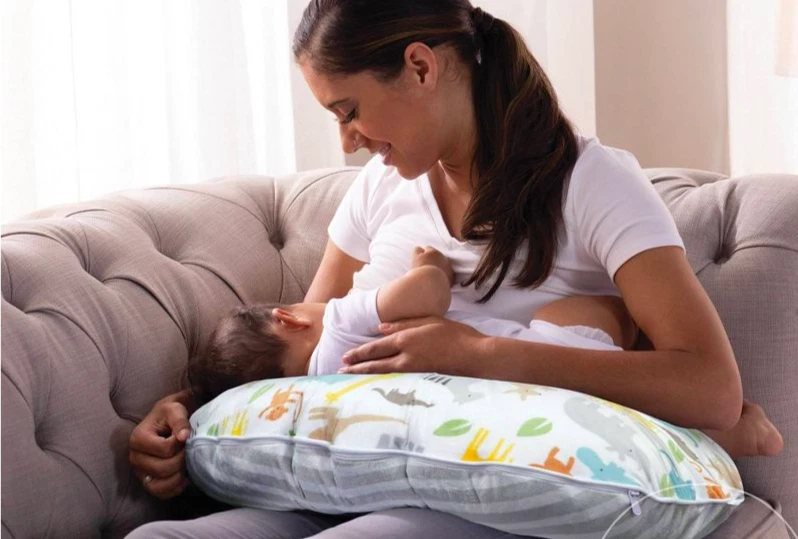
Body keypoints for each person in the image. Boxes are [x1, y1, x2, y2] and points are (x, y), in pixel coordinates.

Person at [127, 2, 783, 537]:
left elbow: (712, 388)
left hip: (475, 495)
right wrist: (186, 407)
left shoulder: (592, 184)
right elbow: (298, 338)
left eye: (347, 110)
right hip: (340, 476)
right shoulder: (381, 188)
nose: (346, 142)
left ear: (418, 67)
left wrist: (478, 351)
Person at [187, 245, 631, 405]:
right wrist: (431, 266)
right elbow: (426, 298)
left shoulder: (322, 390)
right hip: (551, 351)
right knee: (602, 309)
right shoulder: (340, 321)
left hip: (525, 393)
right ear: (289, 318)